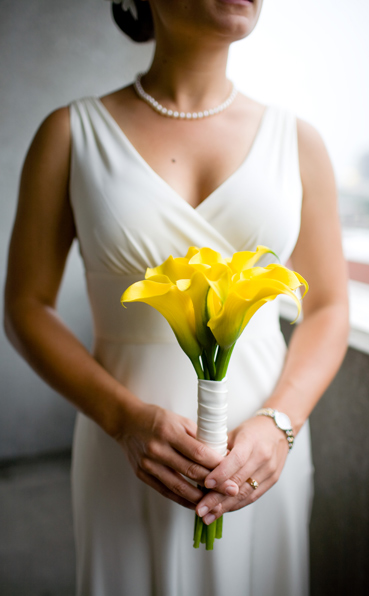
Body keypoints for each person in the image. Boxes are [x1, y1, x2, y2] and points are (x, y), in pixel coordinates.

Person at [3, 1, 349, 594]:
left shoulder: (299, 141)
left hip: (264, 457)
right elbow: (26, 305)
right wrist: (122, 419)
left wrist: (280, 422)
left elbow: (328, 307)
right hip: (126, 453)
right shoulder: (70, 133)